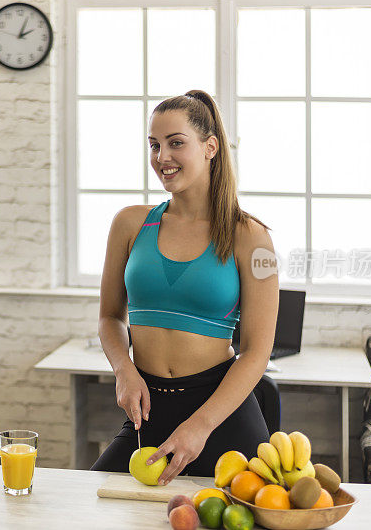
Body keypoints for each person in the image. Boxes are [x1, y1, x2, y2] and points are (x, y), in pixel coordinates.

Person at [90, 90, 279, 485]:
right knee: (95, 505)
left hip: (222, 416)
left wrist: (201, 425)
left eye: (176, 143)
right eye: (154, 145)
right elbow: (109, 317)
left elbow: (258, 351)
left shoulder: (253, 237)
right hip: (149, 412)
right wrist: (124, 370)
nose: (162, 157)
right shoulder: (129, 224)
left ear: (210, 147)